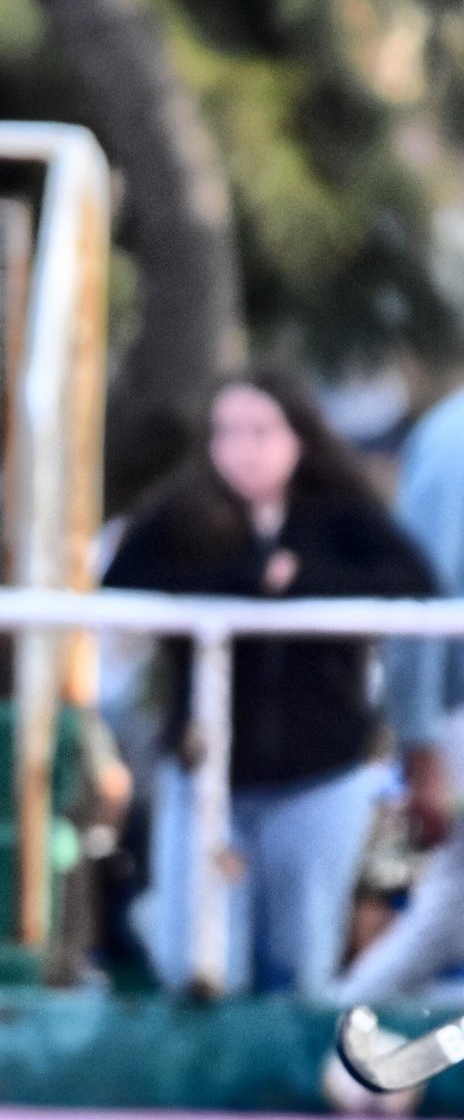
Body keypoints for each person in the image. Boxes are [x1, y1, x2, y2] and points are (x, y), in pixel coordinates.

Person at [105, 368, 435, 996]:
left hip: (320, 776)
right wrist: (245, 582)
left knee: (298, 963)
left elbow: (411, 586)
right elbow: (121, 591)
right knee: (200, 964)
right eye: (228, 432)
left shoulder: (342, 516)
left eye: (261, 431)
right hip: (207, 774)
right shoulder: (184, 516)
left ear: (299, 438)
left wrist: (303, 583)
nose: (244, 448)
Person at [335, 383, 464, 1007]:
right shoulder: (453, 437)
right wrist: (419, 739)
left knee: (449, 909)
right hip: (456, 711)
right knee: (448, 907)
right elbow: (420, 596)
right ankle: (338, 1034)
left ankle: (343, 1030)